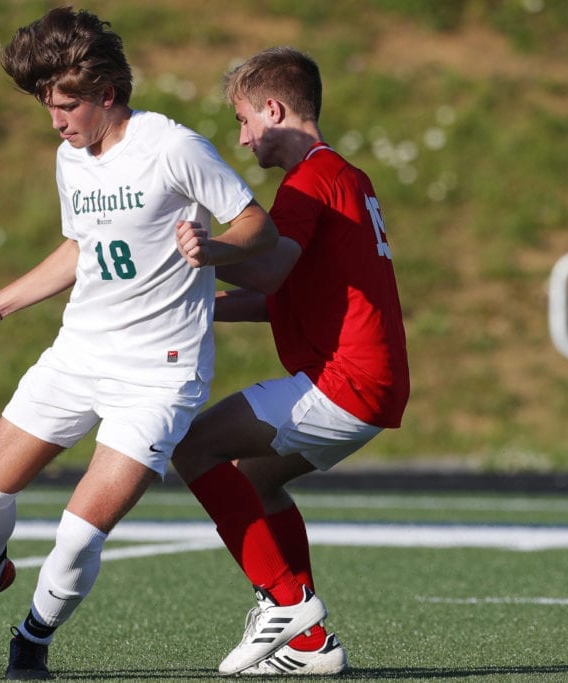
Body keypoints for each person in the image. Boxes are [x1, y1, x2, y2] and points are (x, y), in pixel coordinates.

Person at [0, 7, 279, 681]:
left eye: (66, 105)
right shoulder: (70, 157)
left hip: (158, 376)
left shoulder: (173, 146)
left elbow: (259, 226)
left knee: (78, 532)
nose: (56, 121)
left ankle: (31, 641)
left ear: (107, 93)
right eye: (47, 107)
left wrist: (215, 246)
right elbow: (81, 249)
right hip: (78, 355)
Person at [170, 46, 410, 676]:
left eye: (246, 120)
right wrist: (196, 306)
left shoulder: (308, 180)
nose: (243, 136)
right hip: (368, 383)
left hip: (344, 381)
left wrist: (197, 253)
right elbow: (284, 291)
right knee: (256, 478)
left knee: (192, 447)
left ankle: (286, 605)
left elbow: (269, 266)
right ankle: (309, 646)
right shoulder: (345, 176)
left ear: (274, 110)